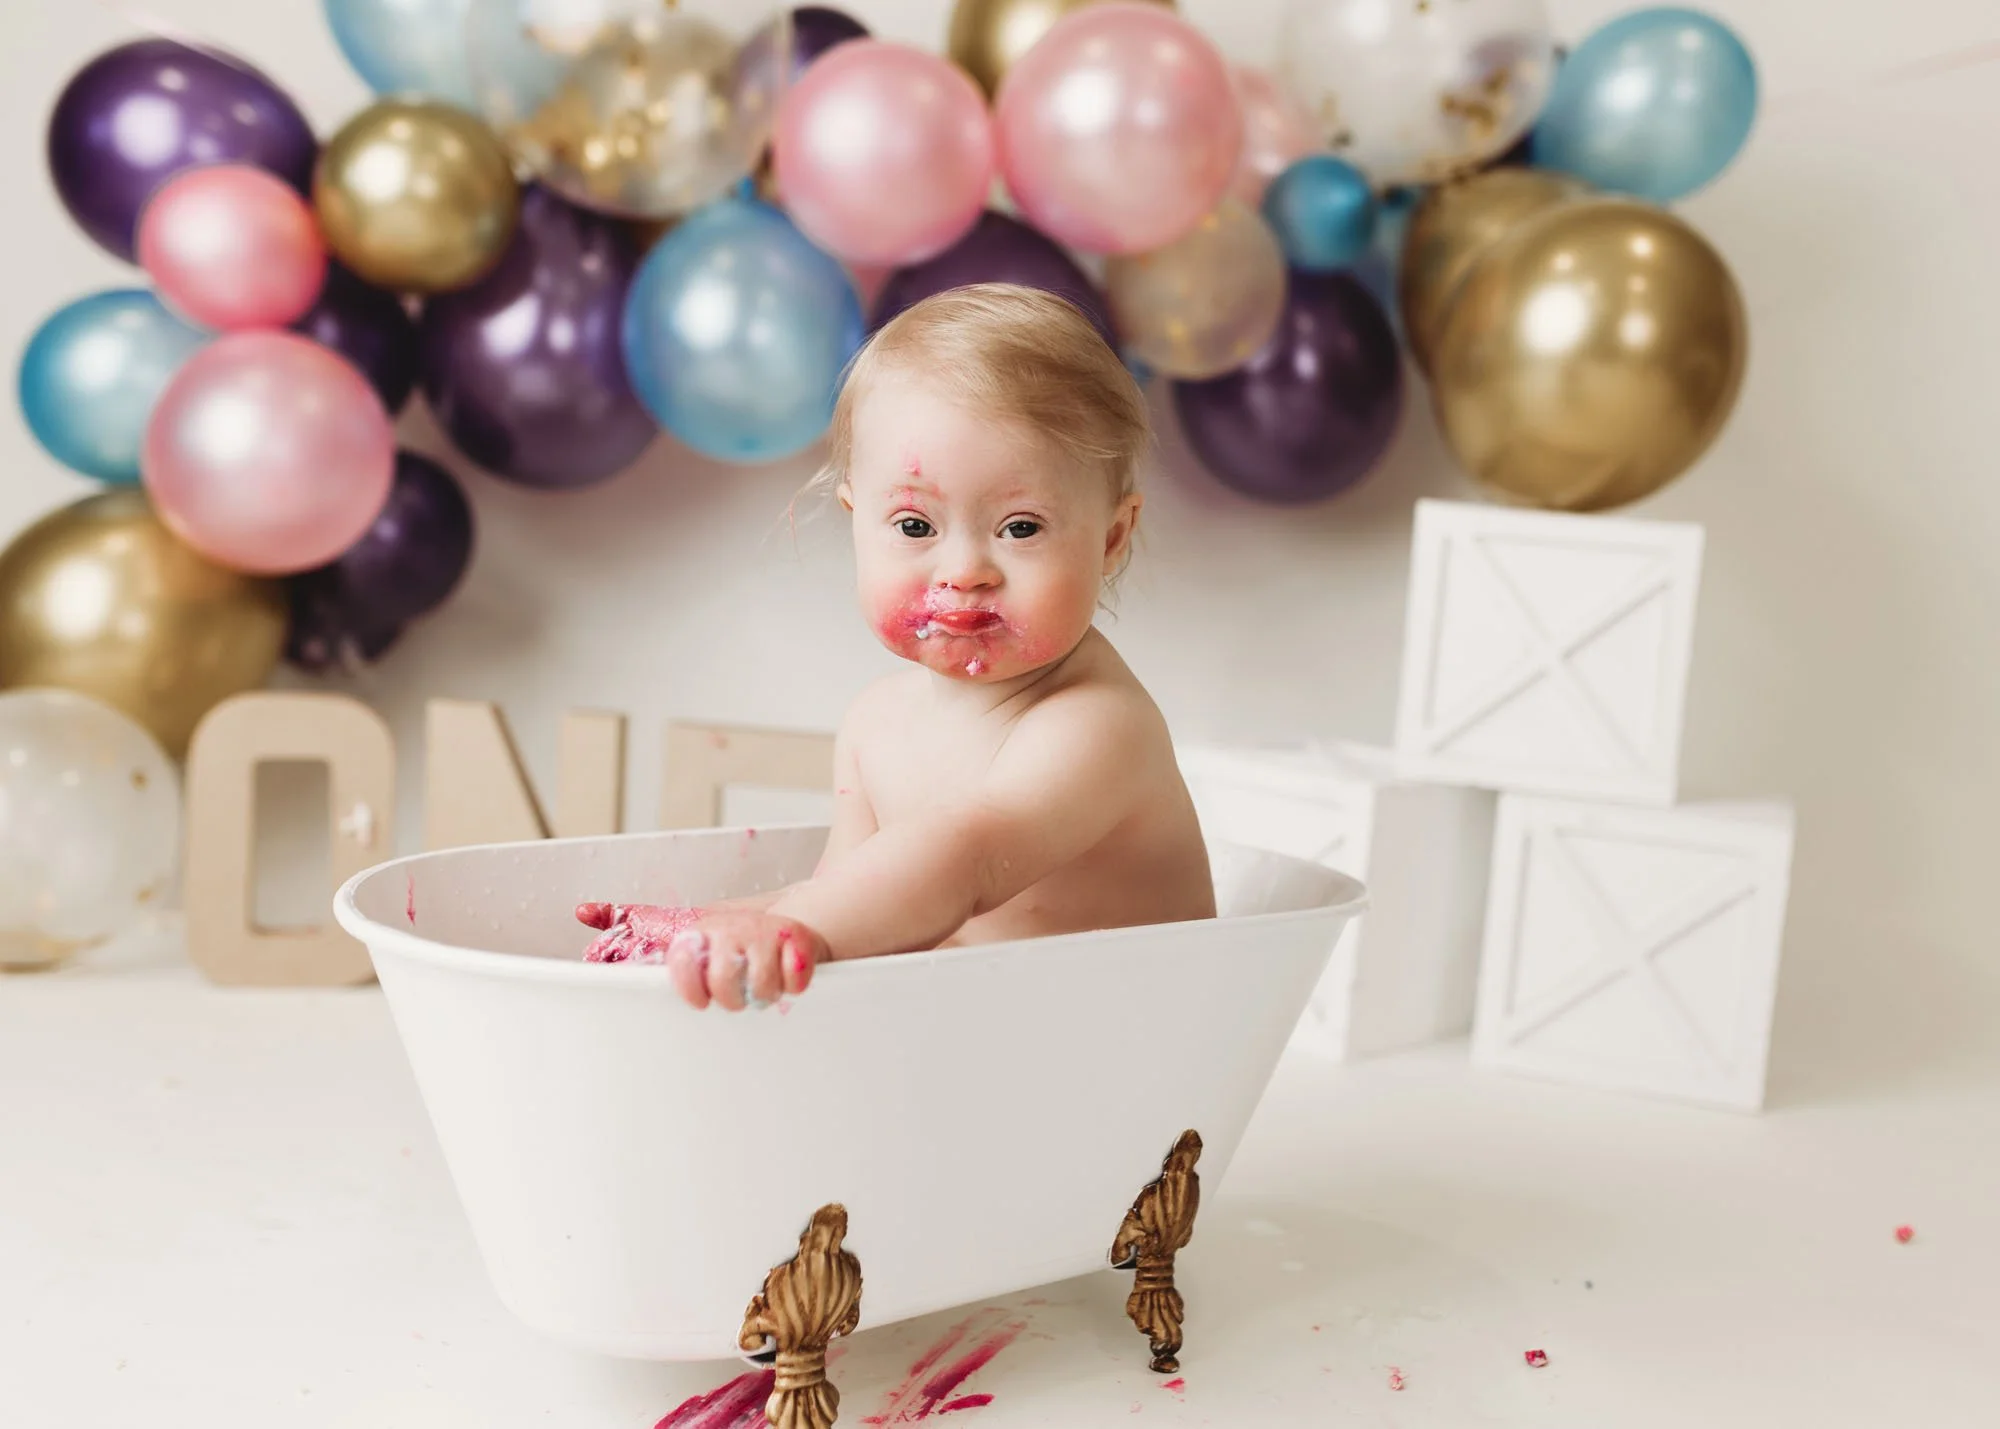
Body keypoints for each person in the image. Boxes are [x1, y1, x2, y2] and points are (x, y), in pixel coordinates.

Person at [578, 283, 1215, 1008]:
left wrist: (791, 931)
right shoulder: (875, 724)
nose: (965, 571)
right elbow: (846, 897)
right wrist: (709, 928)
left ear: (1110, 538)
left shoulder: (1098, 726)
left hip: (1123, 1055)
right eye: (915, 526)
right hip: (973, 1048)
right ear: (856, 520)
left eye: (1021, 527)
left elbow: (965, 856)